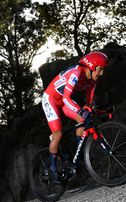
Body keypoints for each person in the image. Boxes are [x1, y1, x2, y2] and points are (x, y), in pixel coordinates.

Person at [41, 51, 108, 183]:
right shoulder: (76, 73)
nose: (102, 74)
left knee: (83, 120)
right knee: (58, 134)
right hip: (51, 99)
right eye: (100, 70)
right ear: (91, 66)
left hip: (64, 101)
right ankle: (52, 171)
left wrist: (100, 112)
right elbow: (66, 98)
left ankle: (79, 154)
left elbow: (89, 104)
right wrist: (81, 110)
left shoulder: (92, 81)